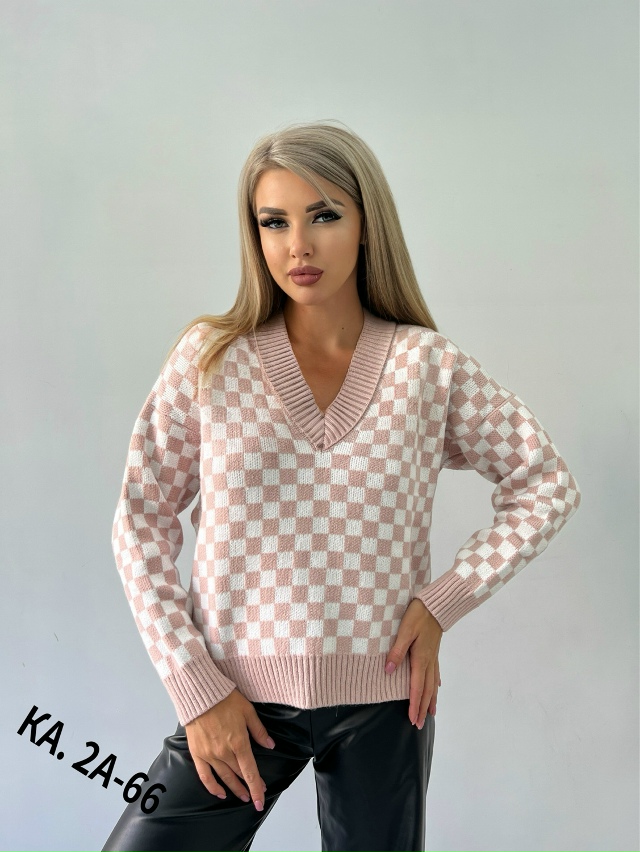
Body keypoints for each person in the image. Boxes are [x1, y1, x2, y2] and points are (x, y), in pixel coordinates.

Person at [100, 120, 582, 852]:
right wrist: (196, 687)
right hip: (237, 701)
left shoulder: (427, 367)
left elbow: (545, 481)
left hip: (384, 702)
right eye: (274, 222)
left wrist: (441, 602)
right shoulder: (211, 360)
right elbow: (140, 521)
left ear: (366, 224)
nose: (298, 245)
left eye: (323, 216)